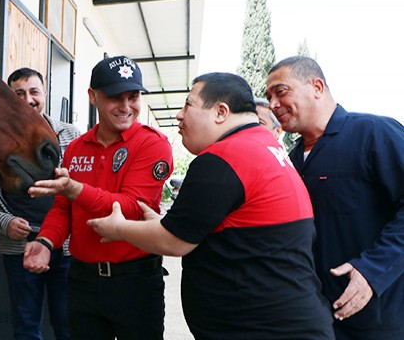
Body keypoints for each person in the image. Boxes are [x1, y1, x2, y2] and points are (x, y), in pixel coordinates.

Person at [87, 72, 335, 339]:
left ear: (220, 112)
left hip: (265, 328)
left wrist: (119, 229)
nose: (179, 116)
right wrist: (160, 224)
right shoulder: (263, 147)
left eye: (188, 105)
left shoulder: (224, 157)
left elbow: (174, 242)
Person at [23, 55, 173, 340]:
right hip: (83, 279)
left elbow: (130, 209)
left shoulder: (153, 144)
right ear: (93, 96)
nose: (126, 107)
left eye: (134, 96)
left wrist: (74, 189)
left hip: (136, 281)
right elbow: (63, 208)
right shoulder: (78, 146)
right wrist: (44, 242)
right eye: (115, 97)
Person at [266, 56, 404, 340]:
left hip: (379, 318)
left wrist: (372, 270)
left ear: (316, 86)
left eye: (280, 92)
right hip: (315, 319)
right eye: (269, 97)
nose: (272, 105)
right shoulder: (290, 161)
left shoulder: (373, 133)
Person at [0, 67, 80, 340]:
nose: (27, 99)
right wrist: (5, 223)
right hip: (19, 246)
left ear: (44, 94)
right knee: (26, 326)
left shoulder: (69, 135)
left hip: (66, 246)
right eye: (18, 93)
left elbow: (84, 188)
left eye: (34, 92)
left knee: (68, 325)